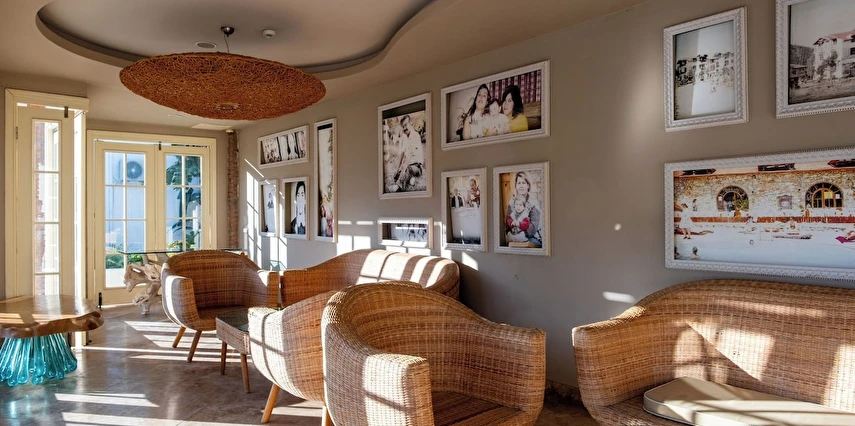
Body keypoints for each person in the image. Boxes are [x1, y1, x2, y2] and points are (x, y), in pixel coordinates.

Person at [506, 171, 542, 247]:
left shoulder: (533, 202)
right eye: (519, 183)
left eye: (523, 183)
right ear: (516, 186)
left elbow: (532, 230)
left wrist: (519, 226)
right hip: (515, 236)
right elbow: (508, 224)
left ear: (528, 185)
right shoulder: (512, 202)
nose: (521, 186)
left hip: (531, 237)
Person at [392, 114, 424, 191]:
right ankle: (411, 179)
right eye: (403, 126)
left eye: (406, 125)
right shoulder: (404, 137)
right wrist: (398, 169)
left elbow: (410, 153)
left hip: (416, 166)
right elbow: (402, 154)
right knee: (399, 172)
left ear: (411, 124)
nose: (404, 128)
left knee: (407, 169)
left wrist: (405, 166)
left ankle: (399, 186)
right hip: (408, 165)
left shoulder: (415, 135)